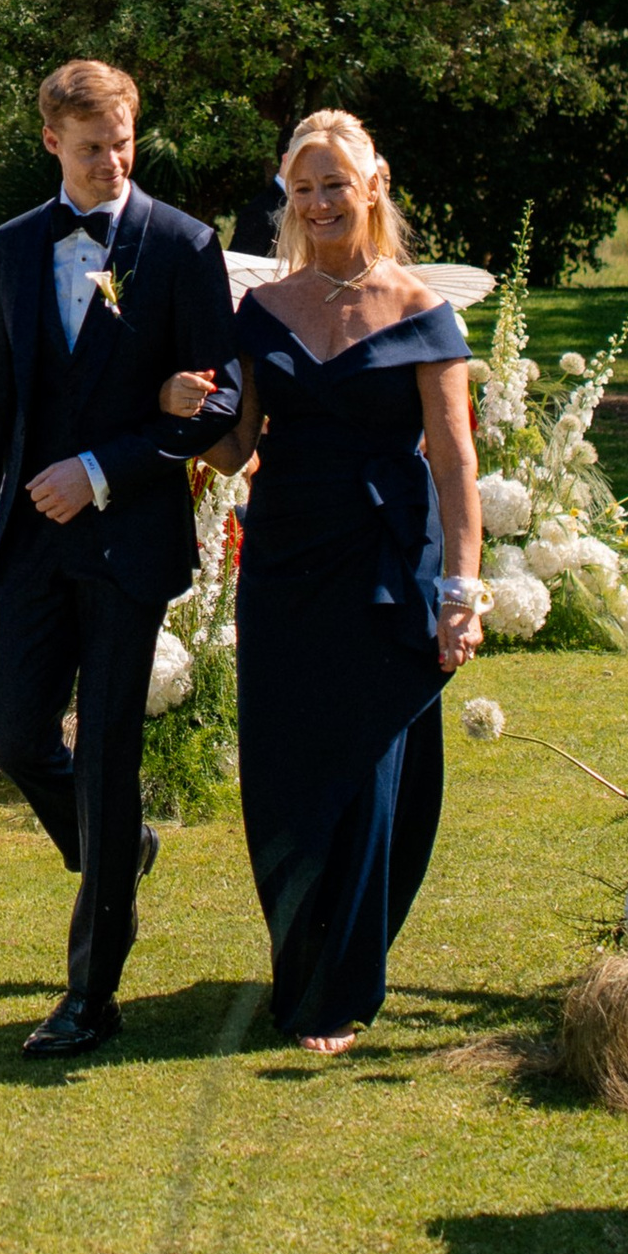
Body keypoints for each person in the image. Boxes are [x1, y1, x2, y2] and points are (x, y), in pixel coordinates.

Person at [169, 109, 484, 1055]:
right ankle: (300, 958)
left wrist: (464, 592)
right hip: (285, 563)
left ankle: (338, 986)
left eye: (334, 185)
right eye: (302, 189)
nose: (318, 203)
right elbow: (233, 450)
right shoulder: (261, 311)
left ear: (373, 185)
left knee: (368, 771)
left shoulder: (426, 311)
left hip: (389, 564)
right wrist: (184, 407)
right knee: (285, 774)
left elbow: (457, 460)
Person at [0, 58, 239, 1058]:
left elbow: (223, 403)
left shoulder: (183, 244)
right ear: (50, 144)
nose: (110, 161)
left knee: (111, 753)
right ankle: (118, 848)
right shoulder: (16, 245)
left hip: (128, 537)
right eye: (89, 147)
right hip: (29, 536)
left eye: (121, 142)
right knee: (15, 727)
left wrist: (103, 468)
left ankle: (91, 991)